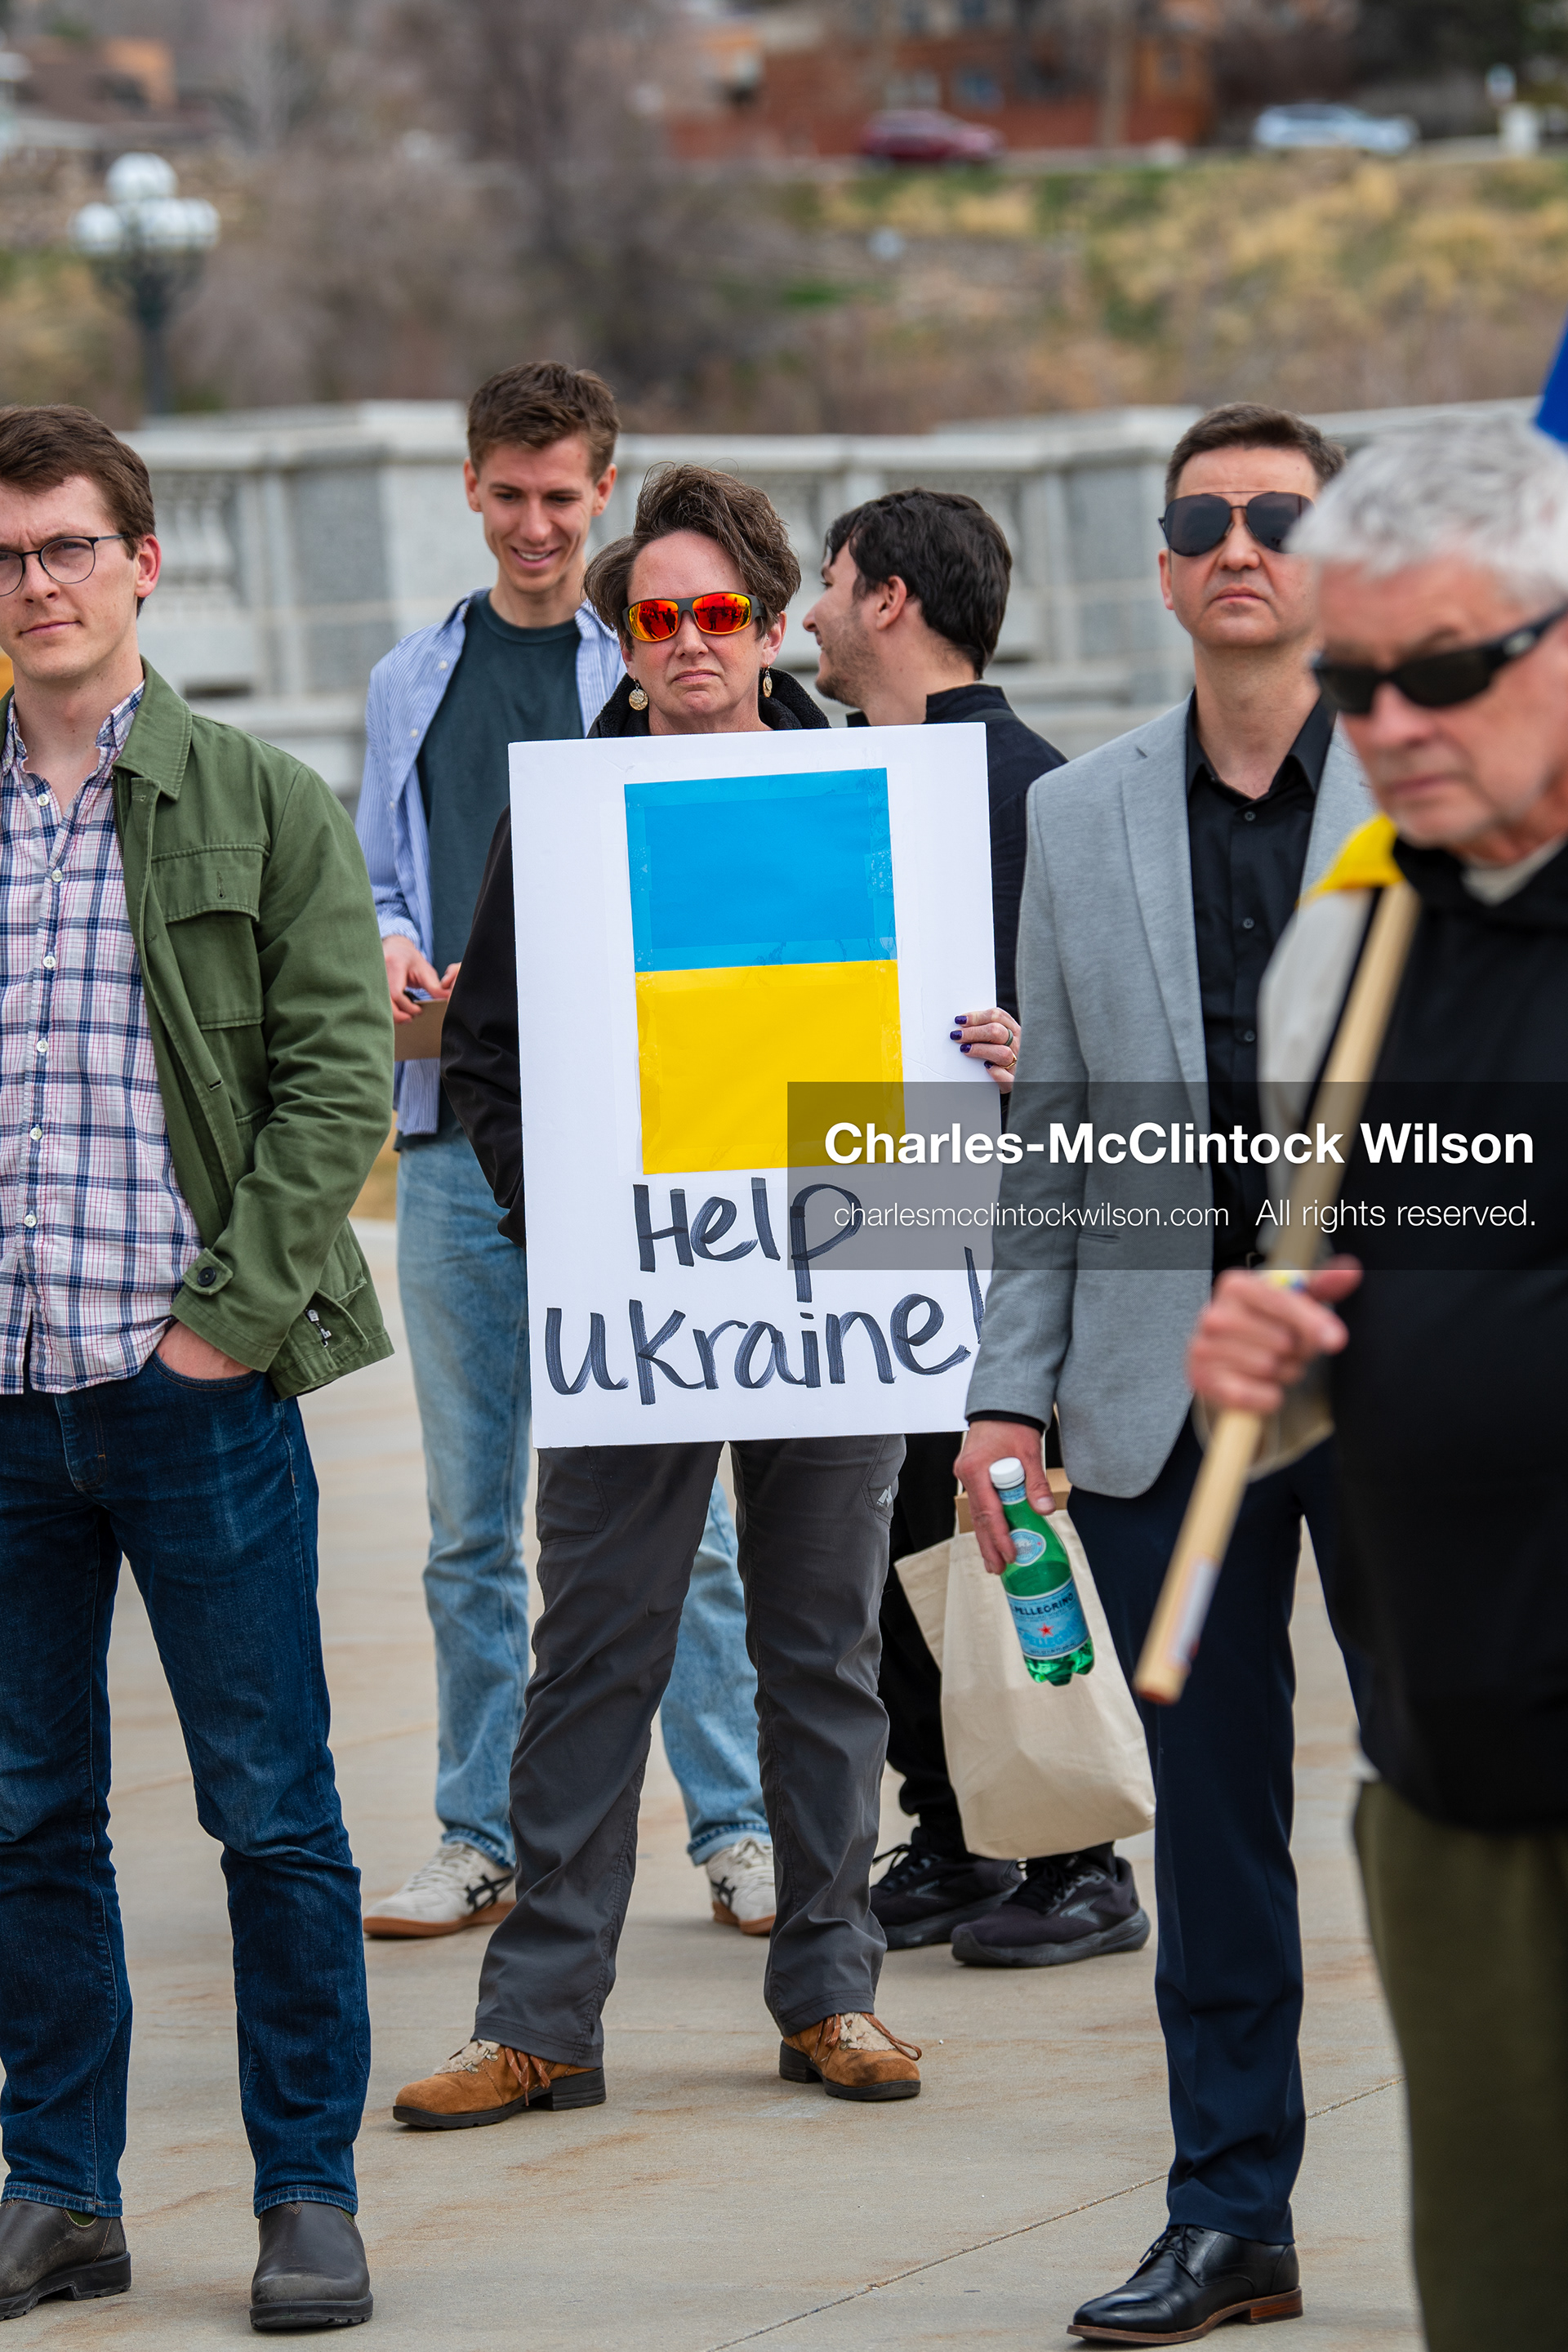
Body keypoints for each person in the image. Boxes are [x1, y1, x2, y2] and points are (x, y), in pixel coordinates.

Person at [392, 461, 924, 2127]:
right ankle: (538, 2020)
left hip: (838, 1275)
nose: (688, 641)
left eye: (717, 613)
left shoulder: (879, 799)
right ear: (625, 643)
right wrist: (566, 1226)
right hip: (639, 1305)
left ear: (771, 628)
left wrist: (978, 1072)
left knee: (823, 1651)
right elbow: (483, 1061)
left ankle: (832, 1994)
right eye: (656, 618)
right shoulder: (556, 819)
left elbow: (947, 1029)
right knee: (595, 1652)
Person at [956, 403, 1376, 2345]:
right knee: (1205, 1831)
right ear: (1160, 562)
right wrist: (1007, 1394)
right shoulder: (1082, 810)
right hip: (1160, 1393)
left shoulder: (1448, 778)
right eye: (1202, 518)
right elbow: (1049, 1133)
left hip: (1417, 1381)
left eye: (1276, 517)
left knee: (1483, 1801)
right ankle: (1234, 2219)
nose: (1239, 544)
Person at [0, 405, 390, 2329]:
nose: (37, 585)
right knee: (22, 1817)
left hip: (192, 1399)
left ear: (142, 563)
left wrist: (218, 1330)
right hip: (1, 1410)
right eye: (7, 559)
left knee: (273, 1811)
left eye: (69, 547)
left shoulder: (260, 797)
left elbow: (337, 1081)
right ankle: (61, 2191)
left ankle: (306, 2196)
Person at [1185, 411, 1568, 2352]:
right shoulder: (1357, 949)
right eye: (1354, 681)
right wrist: (1284, 1351)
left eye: (1444, 674)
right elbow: (1364, 1289)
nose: (1391, 726)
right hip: (1460, 1788)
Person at [355, 363, 776, 1941]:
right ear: (471, 488)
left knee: (698, 1517)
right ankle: (479, 1833)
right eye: (509, 495)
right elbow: (385, 875)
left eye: (563, 496)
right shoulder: (414, 677)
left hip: (639, 1141)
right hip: (459, 1138)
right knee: (474, 1521)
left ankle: (734, 1826)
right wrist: (400, 949)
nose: (536, 524)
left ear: (604, 492)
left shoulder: (666, 649)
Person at [804, 486, 1149, 1967]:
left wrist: (1049, 1053)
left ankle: (1081, 1858)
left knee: (1005, 1526)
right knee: (896, 1537)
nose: (808, 612)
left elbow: (1135, 1034)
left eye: (827, 582)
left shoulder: (1038, 792)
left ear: (889, 598)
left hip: (1001, 1217)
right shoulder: (844, 777)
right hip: (877, 1185)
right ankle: (953, 1829)